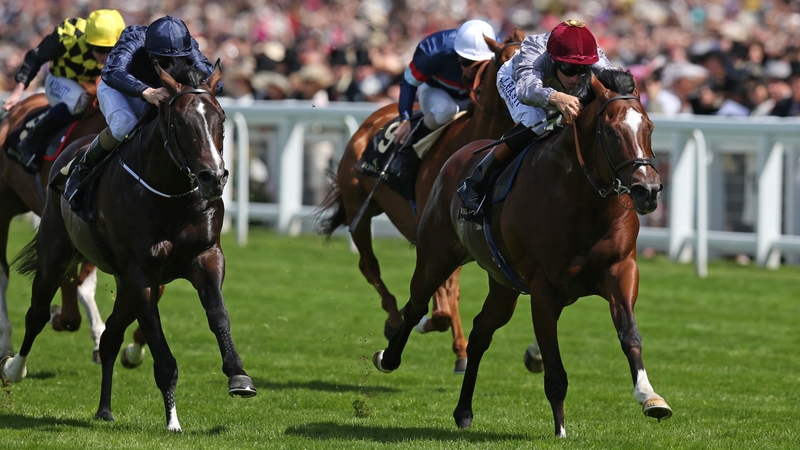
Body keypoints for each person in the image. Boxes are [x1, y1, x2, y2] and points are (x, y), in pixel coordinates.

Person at [457, 19, 617, 215]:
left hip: (552, 85)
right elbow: (526, 90)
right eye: (568, 69)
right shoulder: (533, 50)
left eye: (581, 69)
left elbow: (615, 78)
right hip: (516, 80)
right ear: (554, 60)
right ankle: (477, 181)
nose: (575, 78)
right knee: (535, 122)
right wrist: (555, 96)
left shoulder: (592, 53)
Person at [64, 15, 220, 210]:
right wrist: (145, 91)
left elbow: (215, 83)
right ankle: (81, 170)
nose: (170, 66)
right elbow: (112, 71)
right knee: (124, 126)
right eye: (163, 61)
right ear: (149, 51)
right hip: (118, 87)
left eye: (177, 60)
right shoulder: (134, 40)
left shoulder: (189, 47)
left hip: (158, 92)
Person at [3, 9, 126, 173]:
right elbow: (36, 56)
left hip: (91, 84)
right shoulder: (69, 34)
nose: (105, 56)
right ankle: (30, 141)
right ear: (88, 40)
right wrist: (18, 91)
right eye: (99, 48)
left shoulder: (126, 42)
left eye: (110, 49)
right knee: (79, 100)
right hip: (60, 81)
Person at [390, 19, 497, 181]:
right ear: (456, 53)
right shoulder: (434, 49)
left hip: (473, 95)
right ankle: (408, 149)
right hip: (436, 91)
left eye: (479, 65)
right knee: (446, 110)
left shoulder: (499, 54)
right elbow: (409, 82)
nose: (470, 71)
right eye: (466, 62)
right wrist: (405, 118)